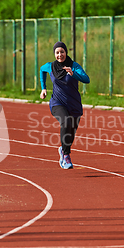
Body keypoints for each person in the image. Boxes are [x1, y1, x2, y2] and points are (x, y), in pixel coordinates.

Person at [40, 41, 90, 169]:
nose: (60, 55)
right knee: (65, 122)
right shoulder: (50, 66)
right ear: (54, 54)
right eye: (57, 52)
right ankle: (66, 156)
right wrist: (43, 88)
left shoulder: (74, 66)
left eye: (62, 52)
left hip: (74, 104)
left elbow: (86, 79)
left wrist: (74, 74)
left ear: (66, 52)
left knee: (71, 132)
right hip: (57, 103)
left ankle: (63, 149)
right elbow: (41, 70)